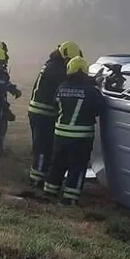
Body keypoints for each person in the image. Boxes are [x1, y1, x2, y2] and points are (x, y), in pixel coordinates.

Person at [43, 56, 104, 206]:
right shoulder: (91, 92)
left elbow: (56, 106)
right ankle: (69, 198)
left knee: (57, 164)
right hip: (81, 137)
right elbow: (100, 109)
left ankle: (50, 191)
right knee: (77, 167)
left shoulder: (61, 88)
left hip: (60, 136)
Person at [26, 40, 84, 188]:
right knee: (43, 147)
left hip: (40, 112)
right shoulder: (56, 70)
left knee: (45, 146)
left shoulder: (52, 64)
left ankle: (40, 175)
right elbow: (71, 79)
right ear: (65, 57)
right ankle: (37, 179)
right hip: (43, 113)